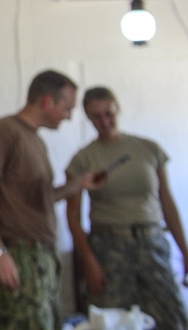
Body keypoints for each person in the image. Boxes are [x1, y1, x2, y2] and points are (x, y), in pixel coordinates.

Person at [0, 69, 103, 330]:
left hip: (42, 257)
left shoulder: (34, 139)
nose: (69, 116)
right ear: (47, 101)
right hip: (19, 255)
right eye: (67, 108)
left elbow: (38, 198)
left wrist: (77, 185)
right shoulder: (4, 131)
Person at [66, 86, 188, 329]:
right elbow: (73, 217)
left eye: (109, 113)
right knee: (115, 320)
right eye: (97, 116)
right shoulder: (83, 159)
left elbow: (168, 204)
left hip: (152, 242)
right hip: (109, 248)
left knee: (173, 318)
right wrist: (89, 261)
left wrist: (185, 251)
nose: (105, 121)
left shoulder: (148, 149)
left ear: (118, 109)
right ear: (88, 118)